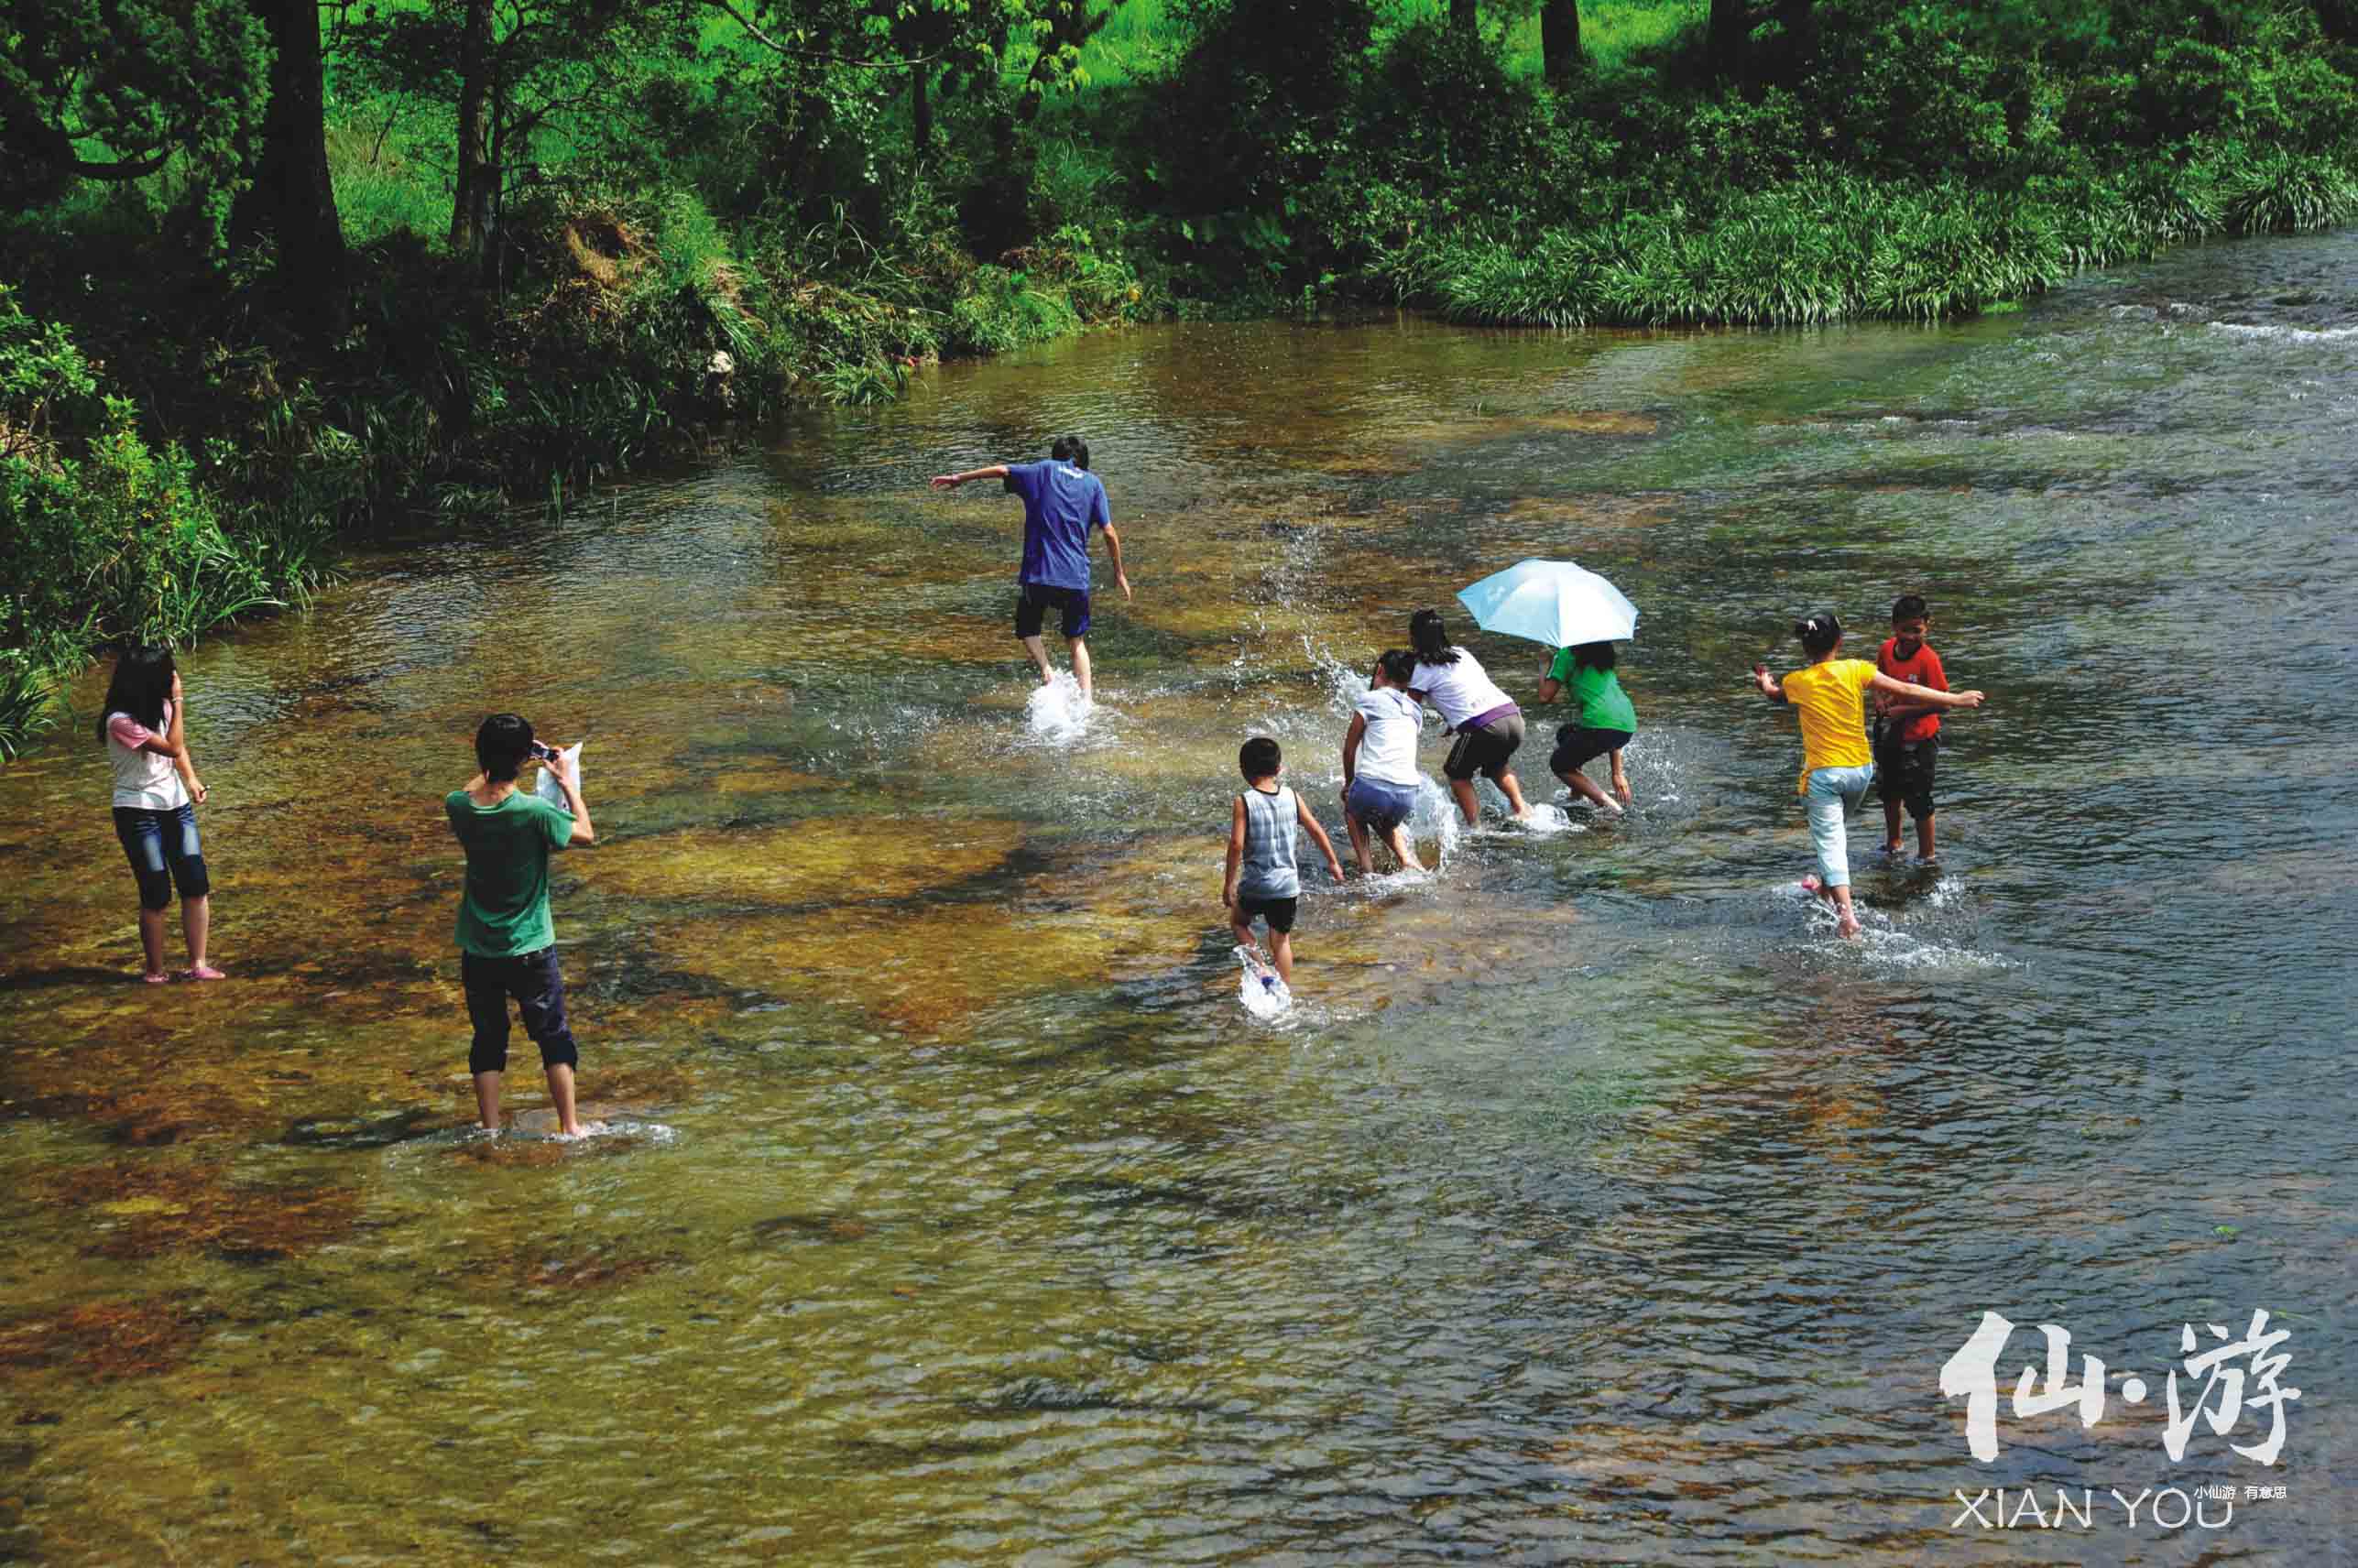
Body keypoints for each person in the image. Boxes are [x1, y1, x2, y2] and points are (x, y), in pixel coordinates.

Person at [1751, 612, 1984, 938]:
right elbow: (1905, 688)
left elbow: (1775, 695)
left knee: (1830, 839)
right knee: (1832, 834)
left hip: (1825, 776)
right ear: (1840, 643)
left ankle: (1847, 917)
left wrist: (1765, 683)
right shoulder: (1856, 669)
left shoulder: (1797, 682)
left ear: (1806, 650)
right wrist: (1955, 699)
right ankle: (1824, 888)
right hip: (1860, 773)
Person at [447, 714, 595, 1137]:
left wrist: (506, 761)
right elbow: (585, 832)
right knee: (553, 1037)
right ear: (522, 759)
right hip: (530, 945)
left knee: (488, 1039)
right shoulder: (535, 812)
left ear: (482, 756)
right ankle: (570, 1128)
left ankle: (490, 1130)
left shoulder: (458, 807)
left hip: (479, 948)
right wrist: (564, 779)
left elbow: (472, 789)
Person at [931, 435, 1131, 702]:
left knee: (1027, 627)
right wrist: (1119, 572)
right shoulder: (1094, 483)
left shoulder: (1042, 470)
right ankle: (1086, 703)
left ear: (1055, 455)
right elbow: (1108, 531)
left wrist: (959, 478)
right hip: (1076, 577)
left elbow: (1002, 469)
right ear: (1083, 462)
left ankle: (1047, 670)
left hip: (1039, 575)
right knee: (1077, 642)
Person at [98, 645, 221, 983]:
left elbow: (178, 751)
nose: (174, 678)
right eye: (168, 673)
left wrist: (192, 779)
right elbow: (171, 746)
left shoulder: (162, 707)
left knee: (195, 883)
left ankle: (198, 964)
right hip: (137, 811)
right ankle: (155, 971)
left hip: (175, 806)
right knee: (155, 891)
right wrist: (179, 702)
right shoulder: (119, 721)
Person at [1223, 736, 1345, 985]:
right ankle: (1284, 991)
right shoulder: (1292, 796)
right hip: (1287, 886)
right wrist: (1333, 862)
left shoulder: (1243, 801)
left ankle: (1262, 968)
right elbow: (1315, 829)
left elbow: (1236, 844)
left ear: (1243, 770)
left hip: (1257, 884)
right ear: (1279, 769)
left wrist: (1228, 884)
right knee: (1281, 940)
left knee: (1238, 922)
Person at [1405, 608, 1531, 826]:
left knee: (1456, 772)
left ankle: (1475, 826)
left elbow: (1410, 708)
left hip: (1485, 727)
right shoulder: (1462, 653)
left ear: (1415, 637)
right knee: (1496, 763)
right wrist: (1453, 720)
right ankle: (1522, 810)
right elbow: (1467, 688)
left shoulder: (1421, 669)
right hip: (1513, 716)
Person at [1874, 593, 1948, 863]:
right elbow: (1877, 681)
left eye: (1917, 631)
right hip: (1890, 733)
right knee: (1889, 790)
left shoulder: (1929, 660)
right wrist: (1881, 702)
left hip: (1921, 738)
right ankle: (1894, 842)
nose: (1910, 637)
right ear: (1894, 626)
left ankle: (1927, 855)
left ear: (1927, 625)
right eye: (1905, 630)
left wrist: (1906, 711)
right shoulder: (1885, 650)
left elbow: (1943, 703)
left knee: (1919, 797)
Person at [1340, 649, 1428, 874]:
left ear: (1380, 669)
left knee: (1353, 807)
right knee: (1382, 818)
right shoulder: (1416, 709)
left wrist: (1349, 784)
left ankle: (1367, 870)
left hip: (1375, 787)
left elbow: (1349, 750)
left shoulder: (1370, 699)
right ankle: (1408, 861)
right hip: (1408, 794)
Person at [1536, 639, 1636, 815]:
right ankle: (1577, 795)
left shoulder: (1567, 654)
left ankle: (1612, 808)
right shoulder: (1603, 654)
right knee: (1567, 734)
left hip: (1600, 724)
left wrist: (1544, 664)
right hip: (1627, 722)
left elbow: (1545, 696)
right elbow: (1612, 723)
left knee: (1559, 764)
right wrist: (1617, 774)